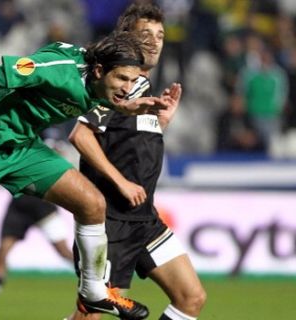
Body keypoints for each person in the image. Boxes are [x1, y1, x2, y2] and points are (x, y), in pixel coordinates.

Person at [0, 31, 170, 320]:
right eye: (123, 78)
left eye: (133, 81)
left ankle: (94, 291)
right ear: (99, 70)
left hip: (22, 147)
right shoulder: (58, 69)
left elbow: (94, 97)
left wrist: (126, 106)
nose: (128, 87)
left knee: (92, 204)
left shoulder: (101, 85)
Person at [67, 3, 206, 320]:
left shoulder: (143, 87)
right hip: (110, 223)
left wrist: (161, 123)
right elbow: (81, 135)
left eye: (160, 34)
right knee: (90, 315)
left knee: (191, 297)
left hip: (144, 221)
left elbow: (128, 142)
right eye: (146, 33)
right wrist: (120, 182)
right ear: (125, 36)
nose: (155, 40)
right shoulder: (116, 86)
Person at [0, 128, 75, 320]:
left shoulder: (54, 143)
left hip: (43, 205)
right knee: (1, 254)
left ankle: (101, 283)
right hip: (20, 204)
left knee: (64, 252)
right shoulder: (30, 137)